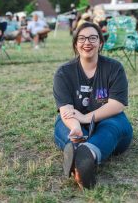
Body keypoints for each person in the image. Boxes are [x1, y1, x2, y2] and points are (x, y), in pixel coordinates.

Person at [53, 22, 133, 189]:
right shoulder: (63, 72)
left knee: (112, 127)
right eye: (81, 38)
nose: (87, 42)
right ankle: (80, 154)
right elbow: (66, 110)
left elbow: (117, 105)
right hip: (73, 121)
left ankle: (87, 153)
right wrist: (76, 127)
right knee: (70, 132)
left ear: (100, 43)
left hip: (108, 118)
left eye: (92, 38)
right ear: (76, 44)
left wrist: (86, 117)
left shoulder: (114, 68)